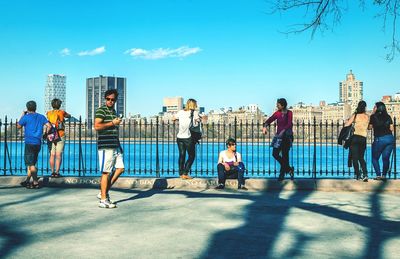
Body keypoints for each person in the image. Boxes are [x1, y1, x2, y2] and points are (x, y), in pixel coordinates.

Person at [94, 89, 124, 209]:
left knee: (120, 168)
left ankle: (103, 192)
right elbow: (97, 126)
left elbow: (113, 129)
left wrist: (119, 145)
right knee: (106, 172)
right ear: (105, 98)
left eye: (113, 99)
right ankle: (103, 200)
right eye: (108, 99)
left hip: (115, 145)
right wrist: (112, 123)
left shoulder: (113, 111)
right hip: (105, 146)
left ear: (115, 100)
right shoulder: (101, 110)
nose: (110, 101)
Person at [17, 101, 51, 189]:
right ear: (35, 107)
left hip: (29, 142)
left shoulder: (26, 117)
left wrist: (22, 114)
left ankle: (35, 182)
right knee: (32, 163)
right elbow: (49, 126)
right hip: (38, 143)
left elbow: (18, 126)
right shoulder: (41, 117)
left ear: (27, 108)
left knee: (31, 164)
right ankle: (27, 181)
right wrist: (45, 134)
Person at [262, 98, 294, 181]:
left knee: (285, 156)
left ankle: (282, 174)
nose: (276, 105)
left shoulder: (289, 113)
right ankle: (288, 169)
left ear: (283, 105)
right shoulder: (277, 113)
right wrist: (265, 126)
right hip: (279, 137)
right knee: (275, 154)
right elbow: (270, 119)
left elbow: (289, 124)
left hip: (286, 137)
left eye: (278, 104)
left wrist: (282, 131)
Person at [172, 98, 204, 179]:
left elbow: (173, 118)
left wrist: (180, 120)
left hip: (179, 137)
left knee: (182, 155)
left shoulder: (181, 112)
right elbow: (197, 122)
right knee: (191, 156)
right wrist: (200, 118)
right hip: (188, 137)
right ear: (194, 105)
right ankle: (185, 173)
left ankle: (181, 173)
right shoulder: (194, 112)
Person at [368, 102, 394, 181]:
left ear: (377, 108)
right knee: (386, 158)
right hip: (389, 138)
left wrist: (372, 114)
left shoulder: (373, 116)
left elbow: (369, 127)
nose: (373, 108)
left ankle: (378, 175)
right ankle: (384, 175)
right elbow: (392, 128)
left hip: (380, 139)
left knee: (374, 158)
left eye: (374, 107)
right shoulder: (388, 116)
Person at [46, 98, 71, 177]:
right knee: (58, 155)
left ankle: (52, 172)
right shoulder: (62, 112)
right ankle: (57, 172)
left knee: (52, 155)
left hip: (51, 135)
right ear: (59, 105)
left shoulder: (48, 113)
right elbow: (69, 116)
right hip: (60, 134)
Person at [345, 100, 369, 182]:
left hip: (355, 138)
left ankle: (358, 175)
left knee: (355, 158)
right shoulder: (367, 117)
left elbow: (347, 124)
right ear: (365, 107)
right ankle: (365, 174)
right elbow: (369, 127)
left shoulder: (355, 115)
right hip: (363, 138)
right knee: (361, 158)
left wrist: (348, 121)